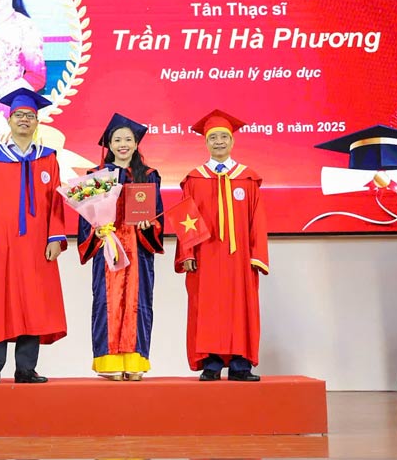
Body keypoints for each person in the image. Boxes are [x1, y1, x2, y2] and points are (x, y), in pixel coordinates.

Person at [0, 87, 67, 384]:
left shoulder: (48, 159)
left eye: (30, 115)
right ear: (9, 120)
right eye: (19, 115)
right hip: (2, 243)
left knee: (33, 302)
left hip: (37, 244)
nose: (24, 120)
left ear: (37, 122)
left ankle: (26, 368)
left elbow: (56, 202)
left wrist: (55, 238)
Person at [176, 109, 268, 382]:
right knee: (209, 309)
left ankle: (241, 365)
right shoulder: (194, 179)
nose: (218, 142)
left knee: (241, 308)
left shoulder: (248, 179)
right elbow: (185, 218)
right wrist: (187, 253)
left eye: (223, 137)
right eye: (213, 137)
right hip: (206, 256)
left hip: (240, 259)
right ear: (205, 143)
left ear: (232, 141)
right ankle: (212, 363)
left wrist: (257, 255)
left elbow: (258, 222)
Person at [77, 113, 163, 381]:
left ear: (137, 144)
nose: (123, 144)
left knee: (139, 304)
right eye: (117, 139)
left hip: (138, 251)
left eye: (128, 139)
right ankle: (109, 363)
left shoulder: (148, 175)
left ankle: (135, 362)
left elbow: (158, 215)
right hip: (108, 249)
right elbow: (85, 220)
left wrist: (151, 226)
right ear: (110, 144)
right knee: (107, 303)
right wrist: (97, 231)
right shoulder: (96, 176)